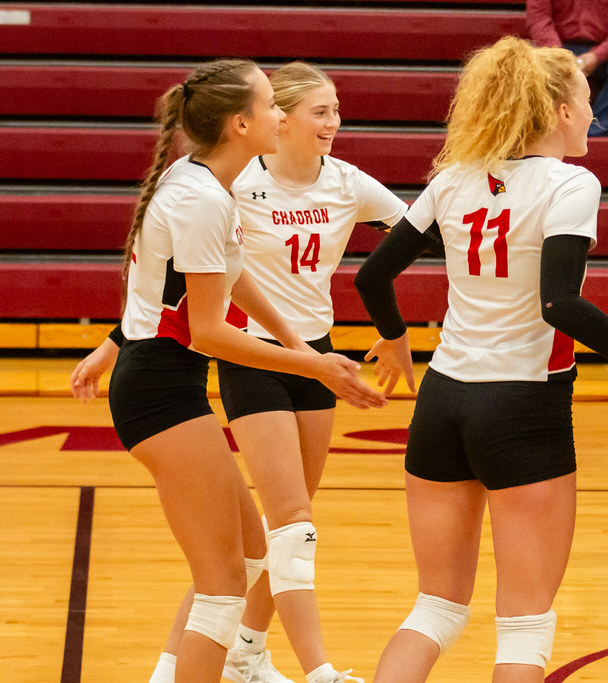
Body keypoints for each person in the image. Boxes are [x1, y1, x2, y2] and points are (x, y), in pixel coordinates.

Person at [353, 35, 608, 683]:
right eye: (587, 102)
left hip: (444, 399)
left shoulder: (453, 179)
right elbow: (559, 303)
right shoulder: (570, 184)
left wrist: (395, 337)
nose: (593, 115)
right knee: (525, 624)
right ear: (559, 110)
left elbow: (372, 276)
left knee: (435, 608)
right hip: (523, 405)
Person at [68, 59, 386, 683]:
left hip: (164, 385)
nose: (279, 114)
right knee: (221, 587)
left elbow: (235, 281)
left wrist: (310, 355)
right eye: (272, 105)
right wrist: (311, 363)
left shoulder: (203, 184)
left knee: (248, 558)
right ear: (241, 124)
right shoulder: (201, 199)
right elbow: (213, 333)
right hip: (160, 393)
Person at [526, 0, 608, 136]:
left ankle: (593, 135)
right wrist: (560, 56)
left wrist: (597, 55)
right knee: (527, 66)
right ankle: (551, 135)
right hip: (556, 48)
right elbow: (539, 20)